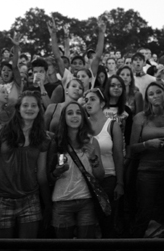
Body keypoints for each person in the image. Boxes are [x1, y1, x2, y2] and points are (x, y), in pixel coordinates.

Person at [0, 91, 51, 240]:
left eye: (33, 105)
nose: (29, 109)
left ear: (39, 109)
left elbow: (41, 175)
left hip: (30, 198)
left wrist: (47, 204)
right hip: (2, 198)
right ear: (19, 108)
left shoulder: (42, 137)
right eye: (25, 105)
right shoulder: (3, 131)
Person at [47, 101, 105, 239]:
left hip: (86, 200)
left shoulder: (92, 142)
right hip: (62, 201)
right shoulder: (57, 142)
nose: (75, 116)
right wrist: (57, 172)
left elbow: (100, 175)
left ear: (83, 117)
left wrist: (93, 158)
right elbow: (48, 177)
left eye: (78, 113)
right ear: (64, 118)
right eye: (70, 113)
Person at [129, 81, 164, 237]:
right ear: (147, 98)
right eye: (151, 94)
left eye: (158, 92)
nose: (155, 96)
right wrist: (148, 144)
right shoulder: (140, 118)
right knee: (145, 210)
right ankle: (135, 245)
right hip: (147, 171)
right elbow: (132, 148)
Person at [84, 87, 124, 237]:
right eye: (86, 100)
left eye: (92, 99)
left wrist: (120, 183)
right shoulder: (81, 125)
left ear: (102, 104)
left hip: (108, 179)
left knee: (107, 223)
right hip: (87, 180)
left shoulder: (112, 125)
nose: (88, 103)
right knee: (88, 223)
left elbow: (119, 155)